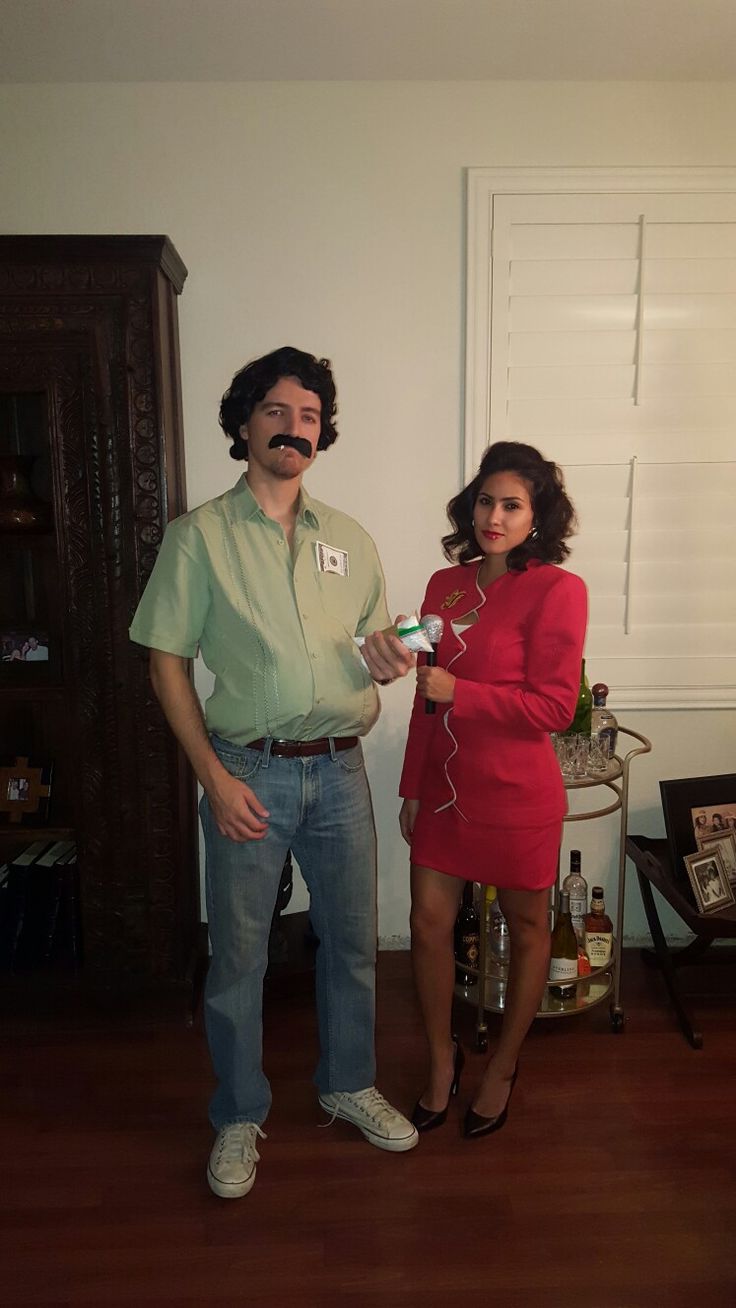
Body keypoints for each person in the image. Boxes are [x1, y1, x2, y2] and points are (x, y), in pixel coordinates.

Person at [129, 345, 417, 1200]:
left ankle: (347, 1082)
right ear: (245, 423)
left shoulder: (351, 540)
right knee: (241, 956)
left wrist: (388, 658)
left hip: (340, 773)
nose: (295, 429)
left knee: (355, 944)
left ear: (322, 433)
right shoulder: (198, 538)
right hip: (247, 770)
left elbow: (372, 648)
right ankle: (237, 1114)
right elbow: (166, 663)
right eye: (277, 412)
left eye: (310, 416)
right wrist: (213, 779)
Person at [398, 440, 587, 1139]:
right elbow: (422, 696)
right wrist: (412, 784)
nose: (494, 515)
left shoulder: (560, 591)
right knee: (426, 924)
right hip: (444, 793)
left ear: (537, 516)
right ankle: (442, 1059)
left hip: (516, 797)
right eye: (485, 500)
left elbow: (554, 709)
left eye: (511, 504)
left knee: (531, 928)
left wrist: (463, 693)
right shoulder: (440, 588)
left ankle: (504, 1065)